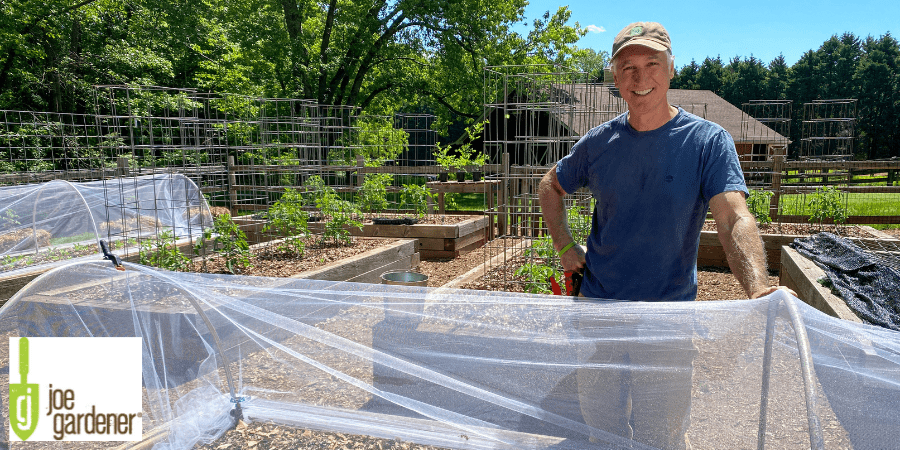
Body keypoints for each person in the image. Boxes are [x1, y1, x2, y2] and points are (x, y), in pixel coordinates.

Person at [538, 22, 794, 448]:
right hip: (599, 313)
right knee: (602, 432)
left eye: (652, 64)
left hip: (669, 319)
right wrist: (565, 246)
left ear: (672, 69)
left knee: (662, 436)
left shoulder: (707, 141)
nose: (641, 78)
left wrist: (759, 287)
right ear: (615, 77)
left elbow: (733, 218)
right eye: (628, 67)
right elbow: (551, 186)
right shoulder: (599, 143)